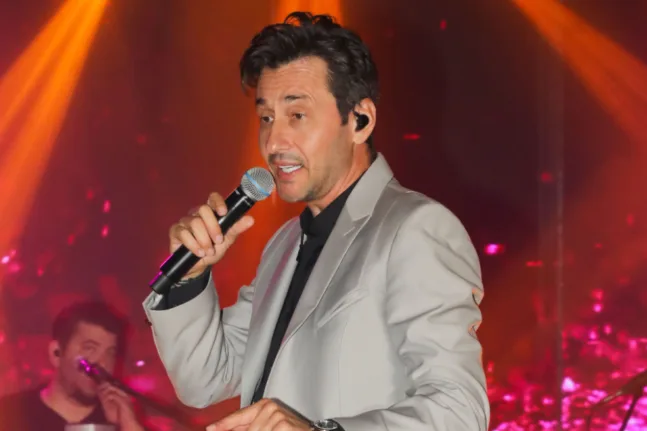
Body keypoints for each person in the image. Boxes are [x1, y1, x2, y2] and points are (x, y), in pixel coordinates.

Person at [143, 11, 489, 431]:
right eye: (266, 117)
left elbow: (459, 410)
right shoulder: (284, 244)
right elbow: (205, 381)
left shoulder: (415, 229)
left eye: (297, 115)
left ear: (360, 120)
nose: (273, 141)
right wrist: (189, 278)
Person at [0, 301, 146, 431]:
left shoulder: (120, 418)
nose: (102, 363)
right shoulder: (9, 414)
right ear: (56, 353)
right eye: (89, 348)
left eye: (110, 353)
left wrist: (129, 426)